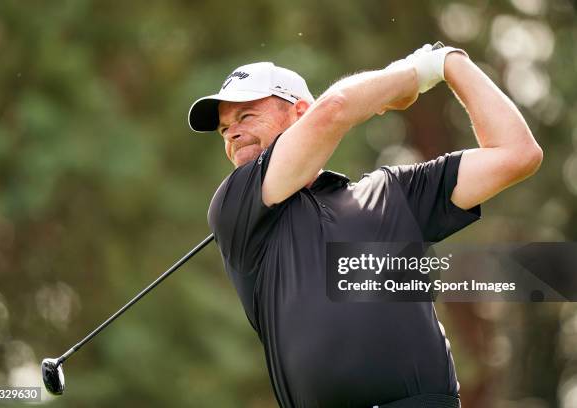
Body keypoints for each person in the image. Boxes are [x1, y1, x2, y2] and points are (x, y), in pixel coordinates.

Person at [187, 44, 542, 408]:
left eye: (246, 116)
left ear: (300, 113)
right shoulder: (235, 206)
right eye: (225, 128)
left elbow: (517, 154)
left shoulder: (392, 193)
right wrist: (416, 71)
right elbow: (334, 110)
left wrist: (451, 63)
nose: (232, 133)